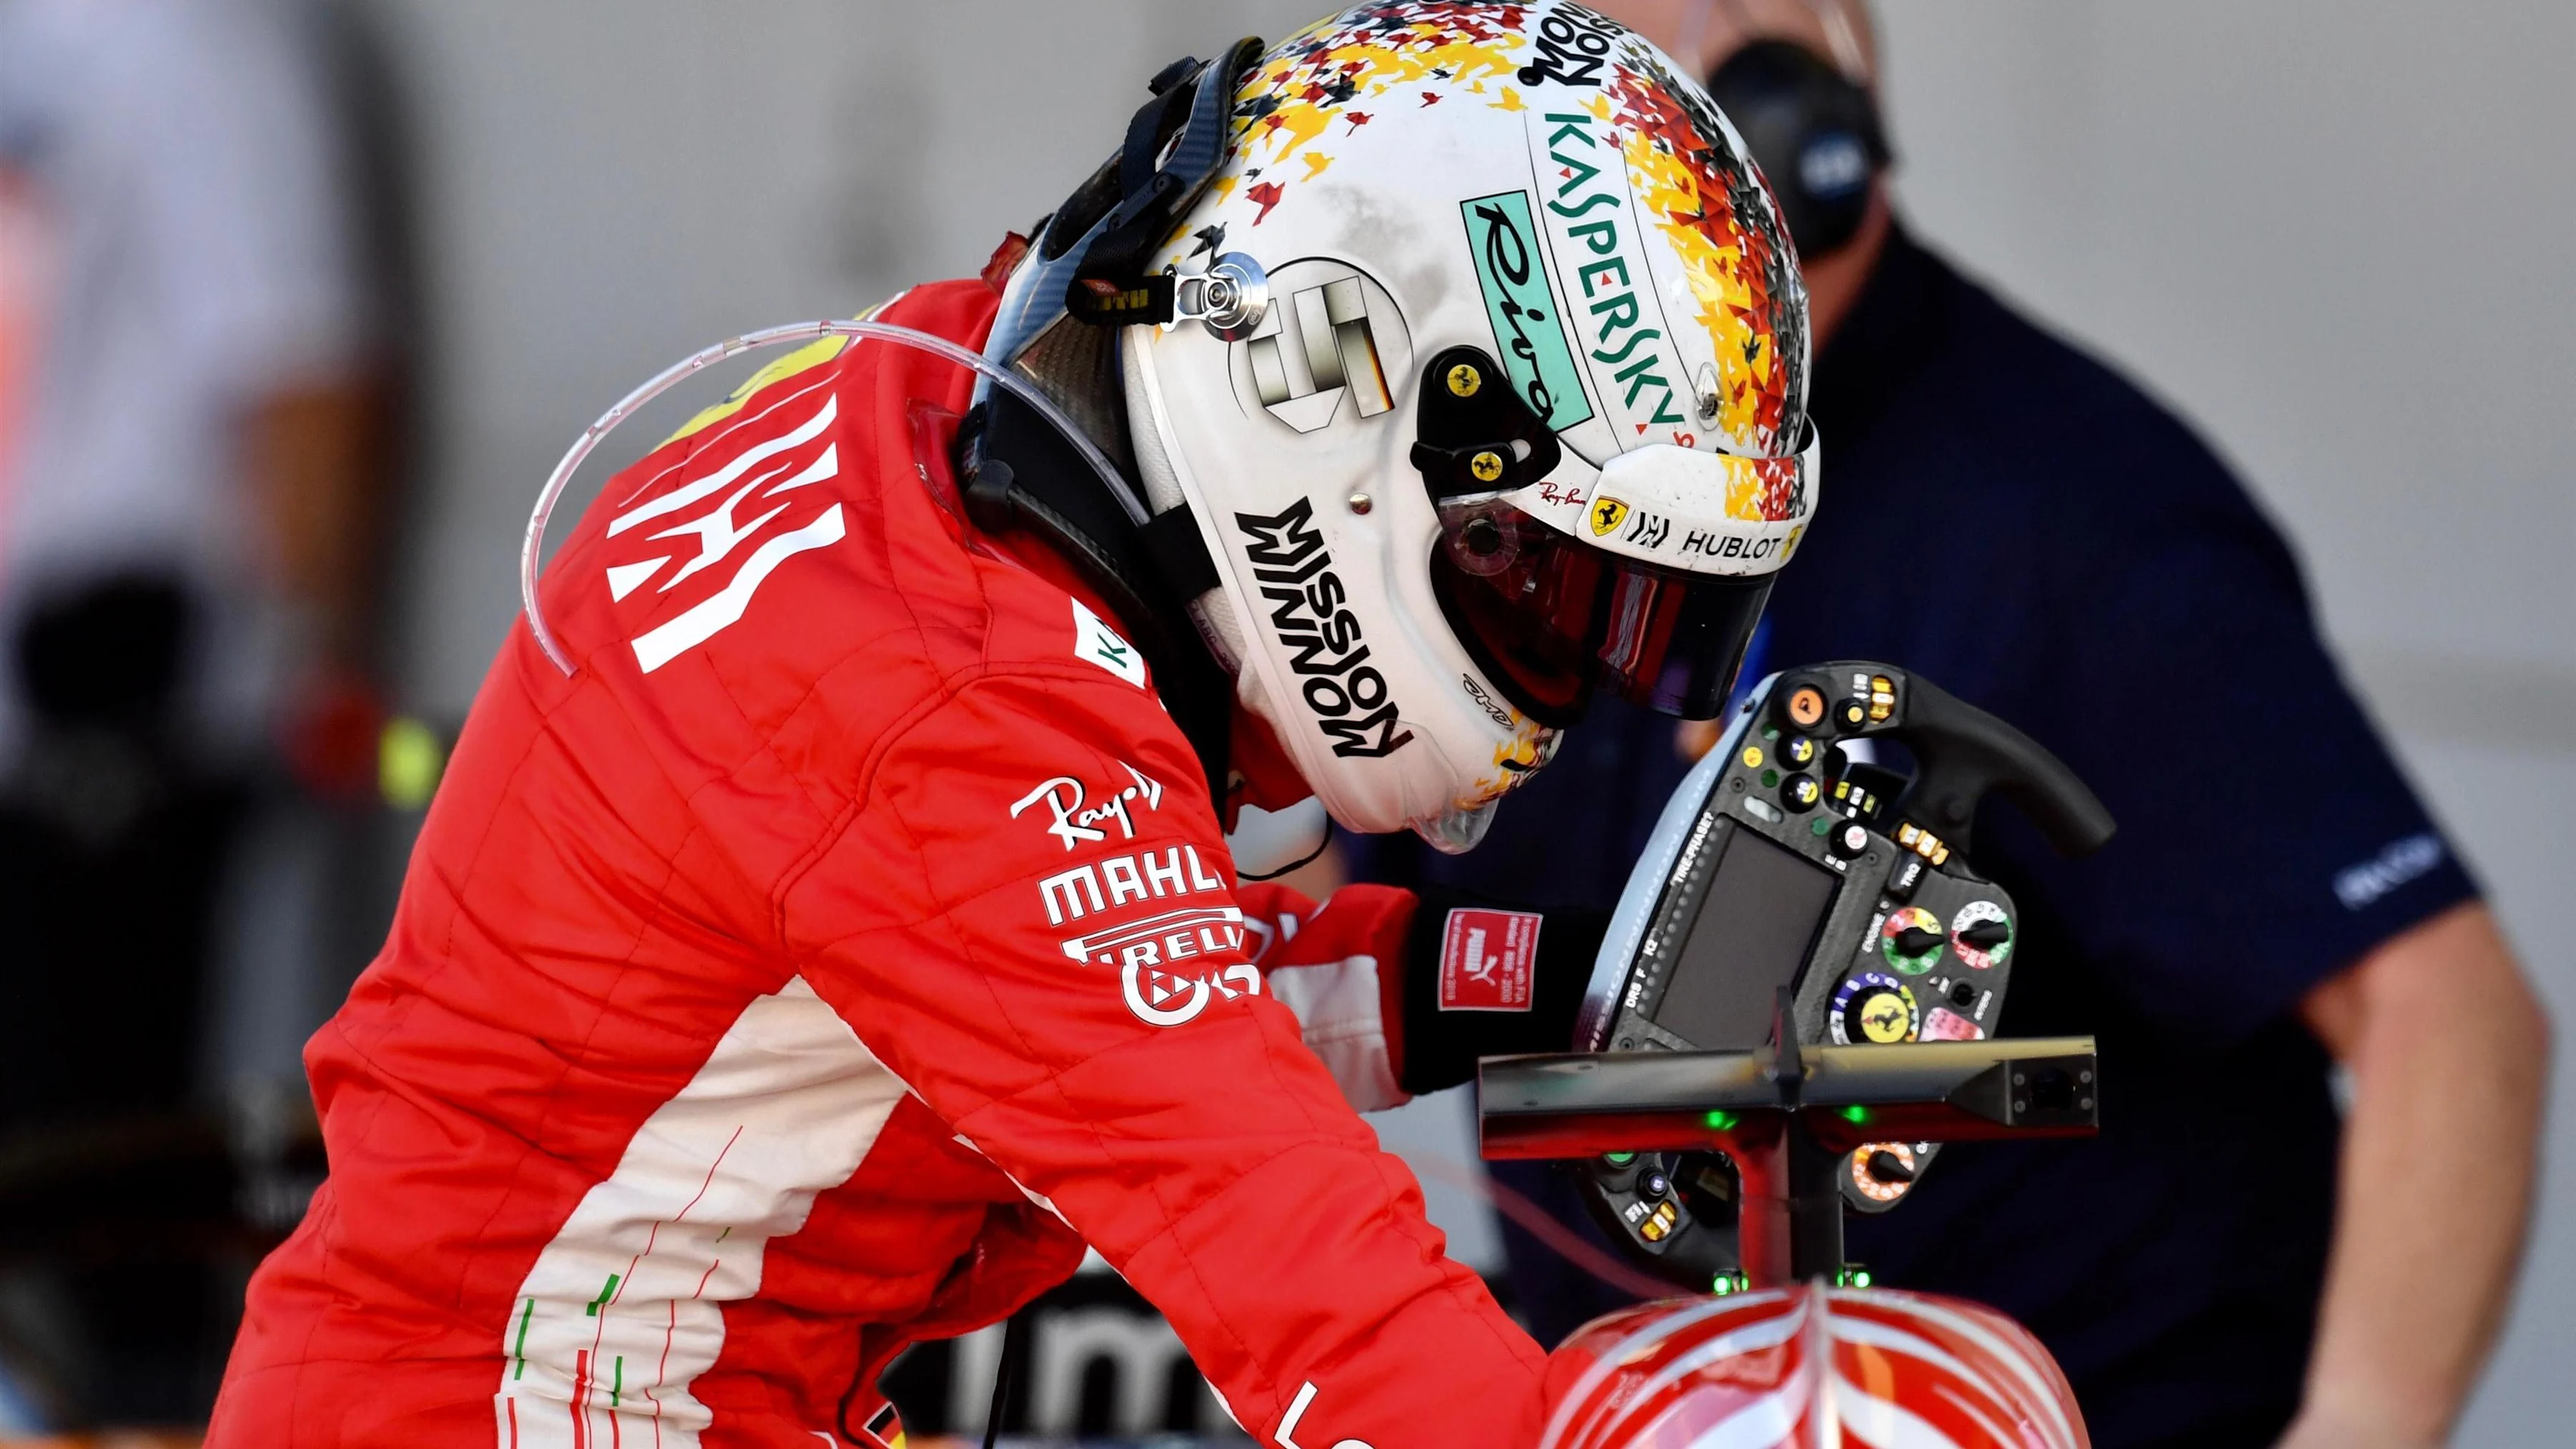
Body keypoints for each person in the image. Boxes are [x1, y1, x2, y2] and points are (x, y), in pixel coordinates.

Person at [206, 6, 1823, 1444]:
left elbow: (1073, 987)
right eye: (1552, 593)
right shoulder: (962, 698)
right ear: (1323, 380)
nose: (1583, 673)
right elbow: (1328, 1315)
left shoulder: (935, 405)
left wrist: (1547, 987)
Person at [1348, 3, 2551, 1447]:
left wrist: (2358, 1426)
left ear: (1805, 132)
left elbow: (2448, 1015)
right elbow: (1321, 929)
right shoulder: (1487, 472)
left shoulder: (2073, 514)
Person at [0, 0, 390, 1426]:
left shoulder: (193, 40)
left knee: (126, 1214)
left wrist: (311, 666)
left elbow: (305, 367)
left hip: (132, 720)